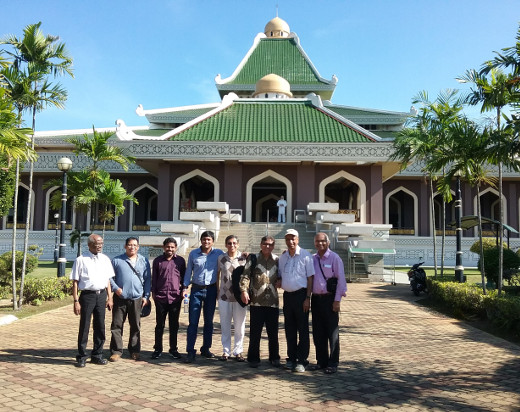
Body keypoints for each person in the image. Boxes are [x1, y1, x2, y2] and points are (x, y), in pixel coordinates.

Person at [70, 234, 114, 367]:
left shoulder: (105, 259)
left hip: (101, 296)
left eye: (101, 243)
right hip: (87, 296)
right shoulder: (81, 260)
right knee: (85, 326)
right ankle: (82, 355)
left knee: (100, 325)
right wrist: (76, 301)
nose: (99, 245)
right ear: (89, 245)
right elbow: (75, 282)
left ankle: (97, 354)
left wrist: (110, 298)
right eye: (97, 243)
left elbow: (107, 280)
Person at [308, 232, 347, 374]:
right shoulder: (313, 258)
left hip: (330, 299)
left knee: (332, 332)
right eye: (317, 241)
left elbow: (341, 281)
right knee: (318, 332)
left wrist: (337, 301)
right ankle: (321, 361)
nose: (320, 244)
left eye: (322, 241)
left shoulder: (335, 258)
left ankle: (333, 363)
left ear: (328, 242)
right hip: (316, 299)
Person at [240, 235, 281, 368]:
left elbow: (282, 275)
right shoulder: (253, 259)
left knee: (273, 333)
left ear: (273, 246)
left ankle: (274, 357)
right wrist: (244, 291)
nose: (267, 246)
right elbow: (245, 275)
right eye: (265, 244)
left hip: (273, 302)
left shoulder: (277, 260)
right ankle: (253, 358)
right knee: (255, 332)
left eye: (270, 244)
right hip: (256, 302)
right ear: (260, 245)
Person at [183, 230, 224, 363]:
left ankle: (206, 348)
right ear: (201, 240)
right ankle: (190, 350)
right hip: (196, 290)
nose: (206, 242)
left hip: (211, 290)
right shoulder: (194, 254)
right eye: (204, 239)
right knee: (193, 322)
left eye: (209, 240)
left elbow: (231, 257)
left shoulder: (218, 253)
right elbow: (189, 270)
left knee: (209, 322)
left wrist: (244, 255)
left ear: (213, 241)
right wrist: (185, 286)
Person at [109, 237, 151, 362]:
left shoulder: (143, 260)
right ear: (125, 246)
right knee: (117, 325)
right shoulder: (117, 260)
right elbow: (110, 277)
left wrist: (146, 296)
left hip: (137, 298)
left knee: (135, 325)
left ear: (138, 247)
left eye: (135, 245)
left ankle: (134, 350)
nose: (132, 247)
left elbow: (148, 279)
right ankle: (116, 351)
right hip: (120, 297)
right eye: (129, 245)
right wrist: (116, 288)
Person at [278, 228, 314, 372]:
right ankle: (291, 358)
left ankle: (302, 360)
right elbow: (280, 275)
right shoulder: (283, 257)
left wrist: (307, 298)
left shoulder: (306, 256)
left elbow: (310, 278)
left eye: (293, 238)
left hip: (301, 296)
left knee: (303, 329)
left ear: (298, 240)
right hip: (288, 296)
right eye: (288, 239)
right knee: (289, 329)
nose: (290, 241)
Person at [151, 237, 186, 360]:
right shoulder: (158, 261)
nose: (170, 249)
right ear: (163, 247)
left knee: (174, 325)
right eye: (167, 247)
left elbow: (183, 278)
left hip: (175, 297)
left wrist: (184, 290)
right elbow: (154, 278)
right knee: (159, 324)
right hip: (160, 297)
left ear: (175, 248)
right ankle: (157, 349)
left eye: (172, 247)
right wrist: (153, 293)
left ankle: (173, 349)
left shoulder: (180, 261)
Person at [217, 235, 247, 361]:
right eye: (229, 243)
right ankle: (226, 351)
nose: (232, 245)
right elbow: (216, 275)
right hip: (224, 297)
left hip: (239, 297)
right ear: (226, 245)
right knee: (225, 325)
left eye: (234, 243)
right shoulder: (221, 258)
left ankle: (238, 351)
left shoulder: (244, 258)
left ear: (238, 244)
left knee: (239, 326)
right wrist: (217, 292)